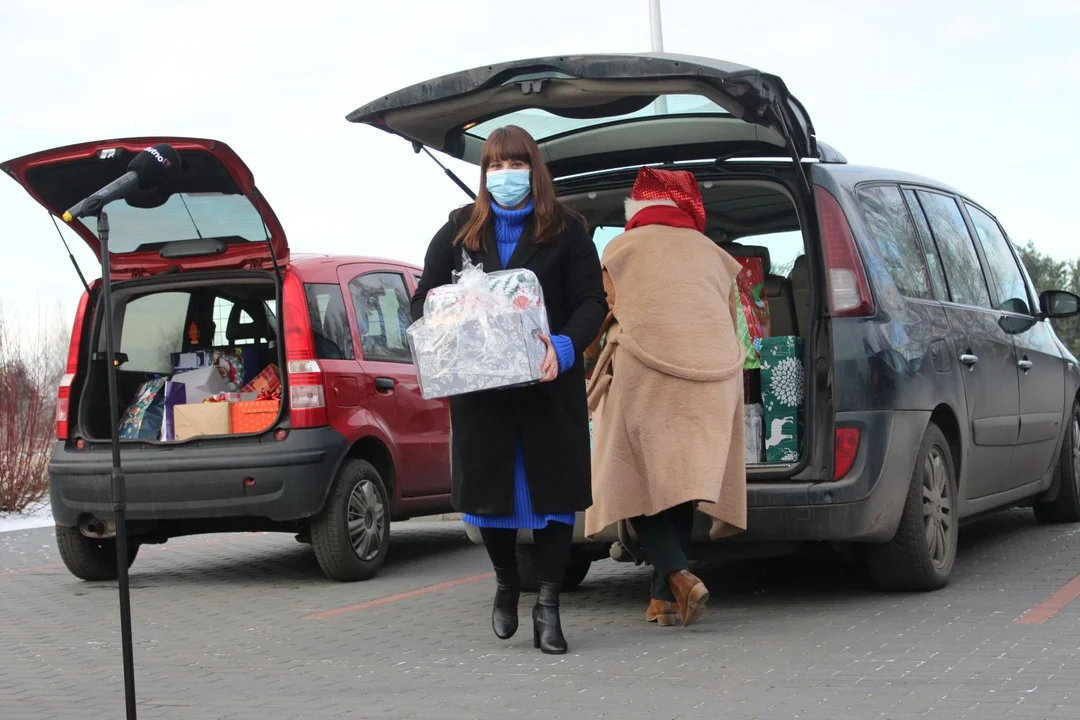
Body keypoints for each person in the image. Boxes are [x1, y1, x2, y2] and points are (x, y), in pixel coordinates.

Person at [412, 125, 606, 654]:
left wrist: (564, 348)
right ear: (484, 174)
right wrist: (456, 318)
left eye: (515, 164)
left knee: (554, 501)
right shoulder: (457, 231)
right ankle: (505, 583)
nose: (505, 176)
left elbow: (594, 301)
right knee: (490, 500)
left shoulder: (567, 230)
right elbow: (424, 303)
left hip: (548, 388)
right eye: (495, 166)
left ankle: (549, 606)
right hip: (483, 395)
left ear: (534, 170)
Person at [584, 167, 748, 628]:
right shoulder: (716, 256)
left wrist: (579, 354)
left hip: (648, 373)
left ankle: (679, 574)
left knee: (636, 480)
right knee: (680, 484)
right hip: (714, 381)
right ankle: (664, 599)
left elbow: (600, 312)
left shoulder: (620, 250)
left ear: (635, 210)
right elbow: (735, 321)